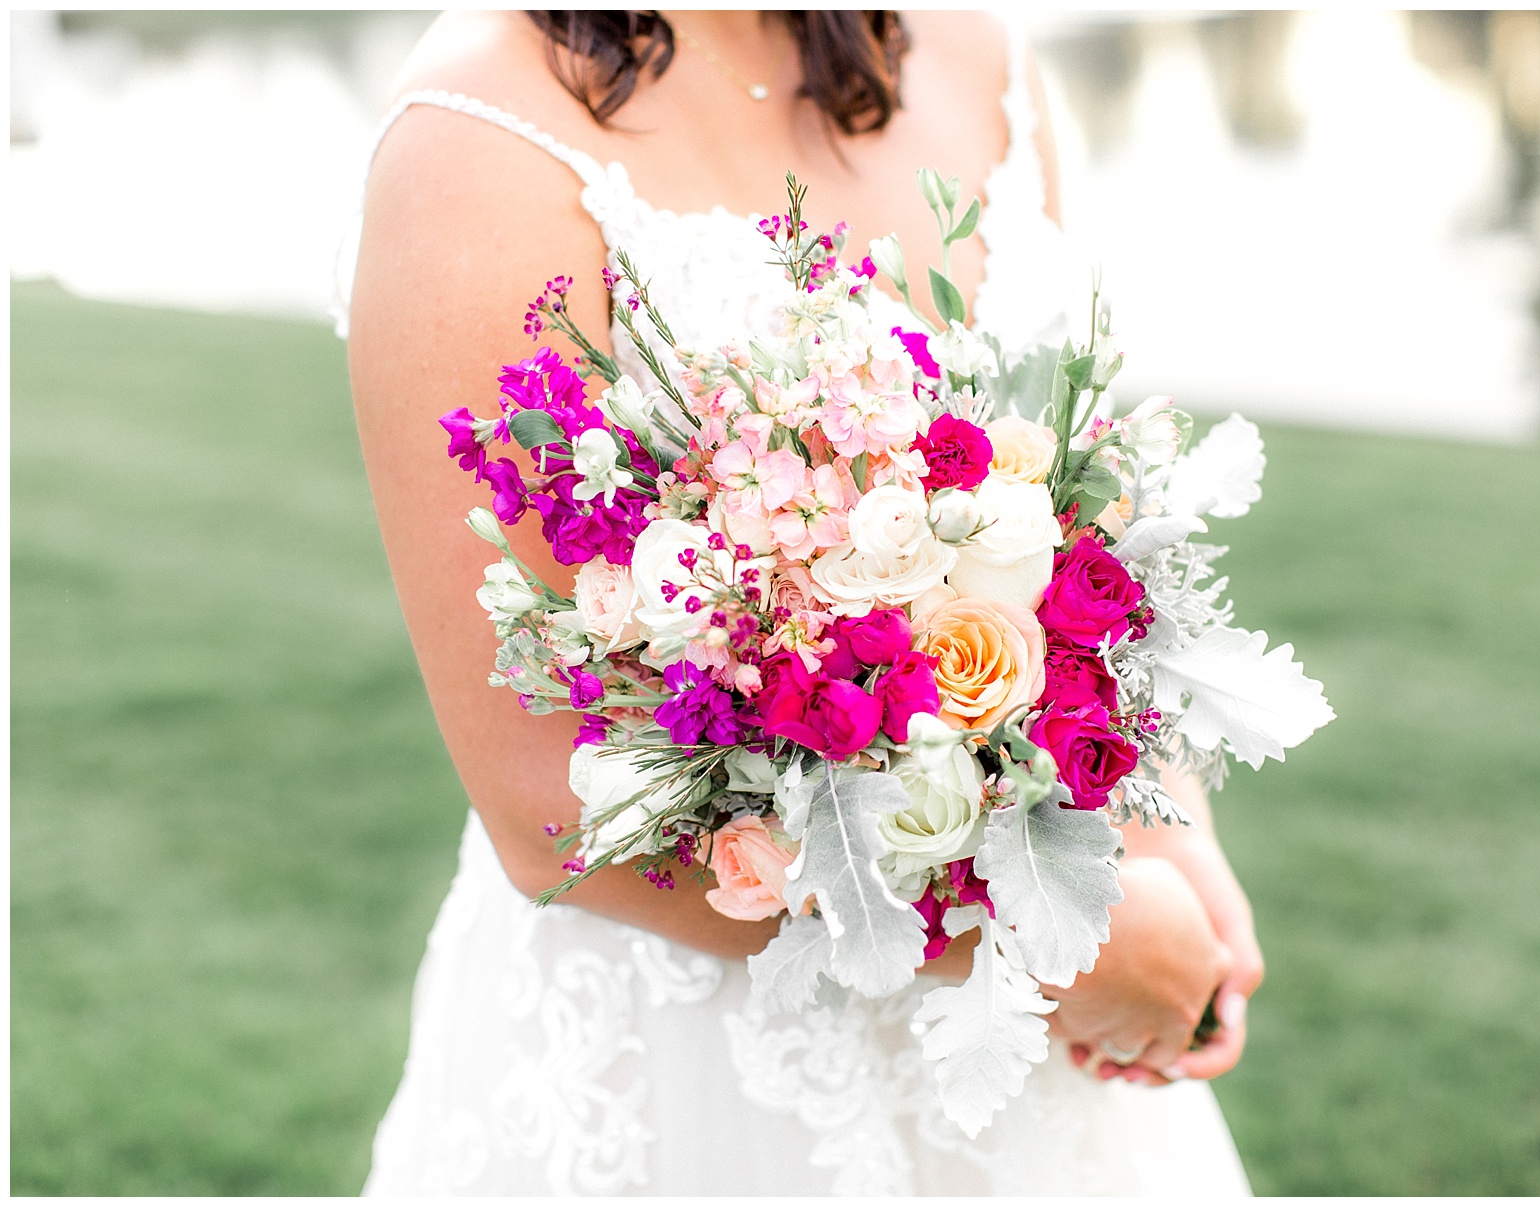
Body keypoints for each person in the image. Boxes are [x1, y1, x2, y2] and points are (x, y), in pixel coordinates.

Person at [344, 10, 1263, 1195]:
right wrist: (1062, 945)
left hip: (1053, 1023)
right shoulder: (477, 132)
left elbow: (1083, 502)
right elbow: (544, 804)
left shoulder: (976, 51)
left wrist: (1172, 833)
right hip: (690, 1063)